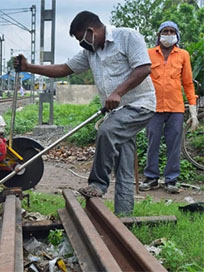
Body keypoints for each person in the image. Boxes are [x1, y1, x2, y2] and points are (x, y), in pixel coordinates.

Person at [15, 11, 156, 215]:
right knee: (124, 164)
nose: (82, 44)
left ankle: (97, 184)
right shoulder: (91, 52)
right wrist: (29, 67)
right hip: (117, 112)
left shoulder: (127, 37)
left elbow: (143, 68)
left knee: (106, 131)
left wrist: (118, 92)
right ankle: (124, 214)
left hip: (139, 105)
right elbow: (64, 69)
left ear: (91, 31)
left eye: (82, 39)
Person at [139, 21, 198, 194]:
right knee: (153, 142)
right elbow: (141, 79)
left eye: (172, 31)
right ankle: (151, 178)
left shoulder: (183, 55)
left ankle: (171, 180)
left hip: (176, 108)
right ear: (159, 35)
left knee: (174, 145)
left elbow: (187, 83)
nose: (168, 34)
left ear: (177, 35)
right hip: (154, 107)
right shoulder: (149, 54)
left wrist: (193, 110)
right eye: (165, 31)